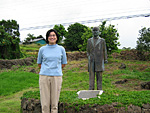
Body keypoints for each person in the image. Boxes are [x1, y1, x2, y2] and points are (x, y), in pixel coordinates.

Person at [37, 29, 67, 113]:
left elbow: (63, 63)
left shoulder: (61, 49)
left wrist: (55, 70)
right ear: (47, 38)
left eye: (54, 35)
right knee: (45, 103)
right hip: (44, 77)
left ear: (57, 37)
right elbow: (39, 63)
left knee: (54, 103)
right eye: (50, 35)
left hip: (56, 77)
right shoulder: (42, 49)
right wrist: (47, 70)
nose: (52, 37)